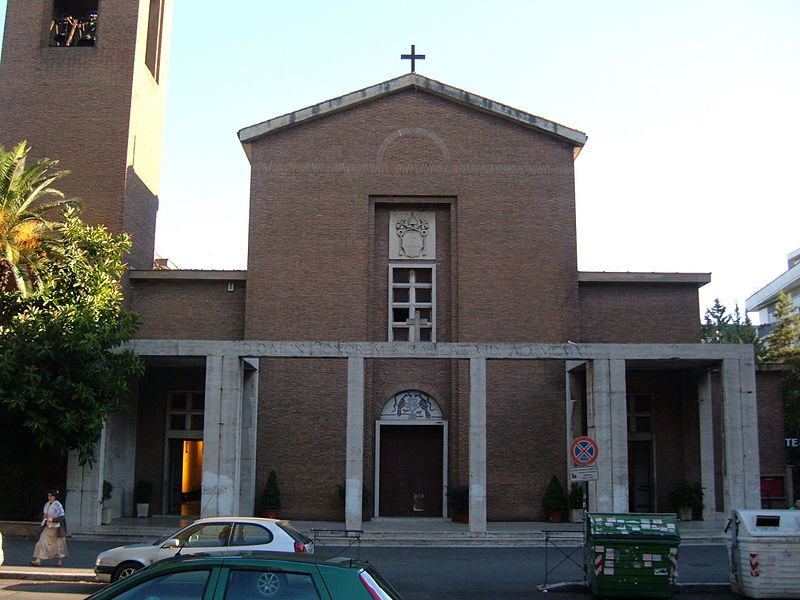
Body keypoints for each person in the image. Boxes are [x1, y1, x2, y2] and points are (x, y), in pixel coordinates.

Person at [30, 490, 68, 567]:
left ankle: (59, 561)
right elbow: (44, 513)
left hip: (56, 528)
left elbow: (61, 517)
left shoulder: (58, 505)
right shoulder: (47, 504)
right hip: (47, 527)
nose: (49, 497)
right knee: (41, 542)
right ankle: (38, 560)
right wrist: (45, 516)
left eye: (51, 496)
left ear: (54, 497)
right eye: (48, 496)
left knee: (58, 545)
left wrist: (53, 519)